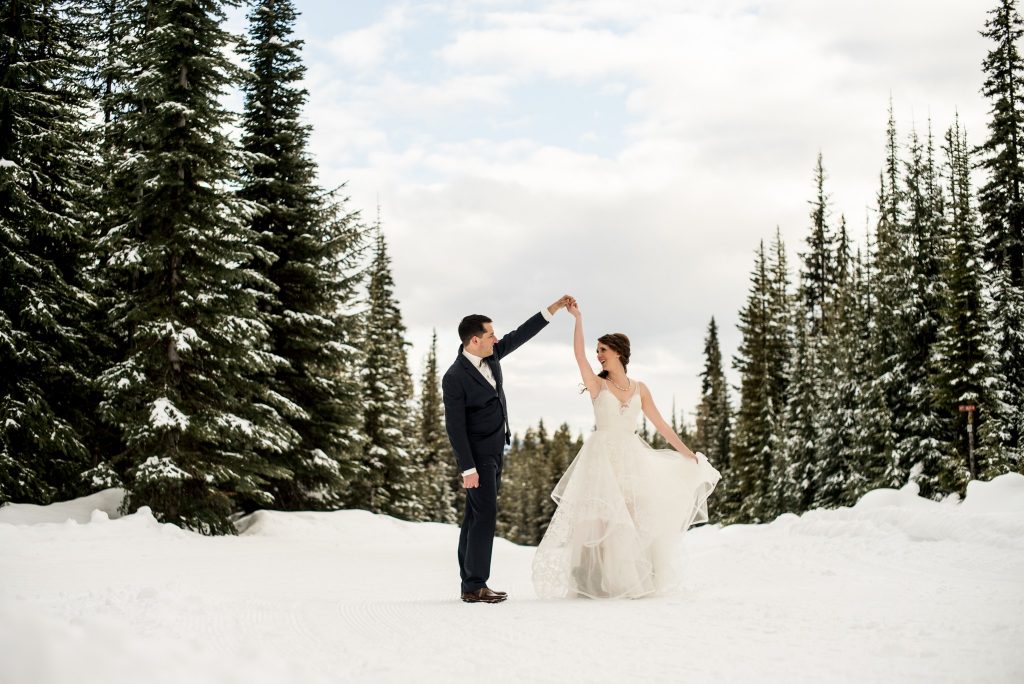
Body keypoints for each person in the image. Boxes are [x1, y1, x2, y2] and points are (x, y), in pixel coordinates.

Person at [532, 301, 721, 599]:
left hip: (631, 457)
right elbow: (578, 355)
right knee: (600, 519)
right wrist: (577, 318)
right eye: (597, 351)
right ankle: (590, 579)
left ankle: (635, 577)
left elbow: (662, 425)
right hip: (601, 457)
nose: (598, 355)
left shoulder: (640, 388)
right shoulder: (597, 385)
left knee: (633, 517)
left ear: (618, 352)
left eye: (603, 350)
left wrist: (689, 454)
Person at [443, 295, 575, 604]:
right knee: (485, 515)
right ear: (475, 340)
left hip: (495, 449)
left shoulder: (491, 356)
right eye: (490, 334)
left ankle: (469, 582)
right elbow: (455, 427)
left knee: (475, 515)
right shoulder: (454, 377)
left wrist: (553, 309)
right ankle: (475, 585)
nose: (496, 338)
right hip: (477, 457)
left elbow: (520, 335)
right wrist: (468, 468)